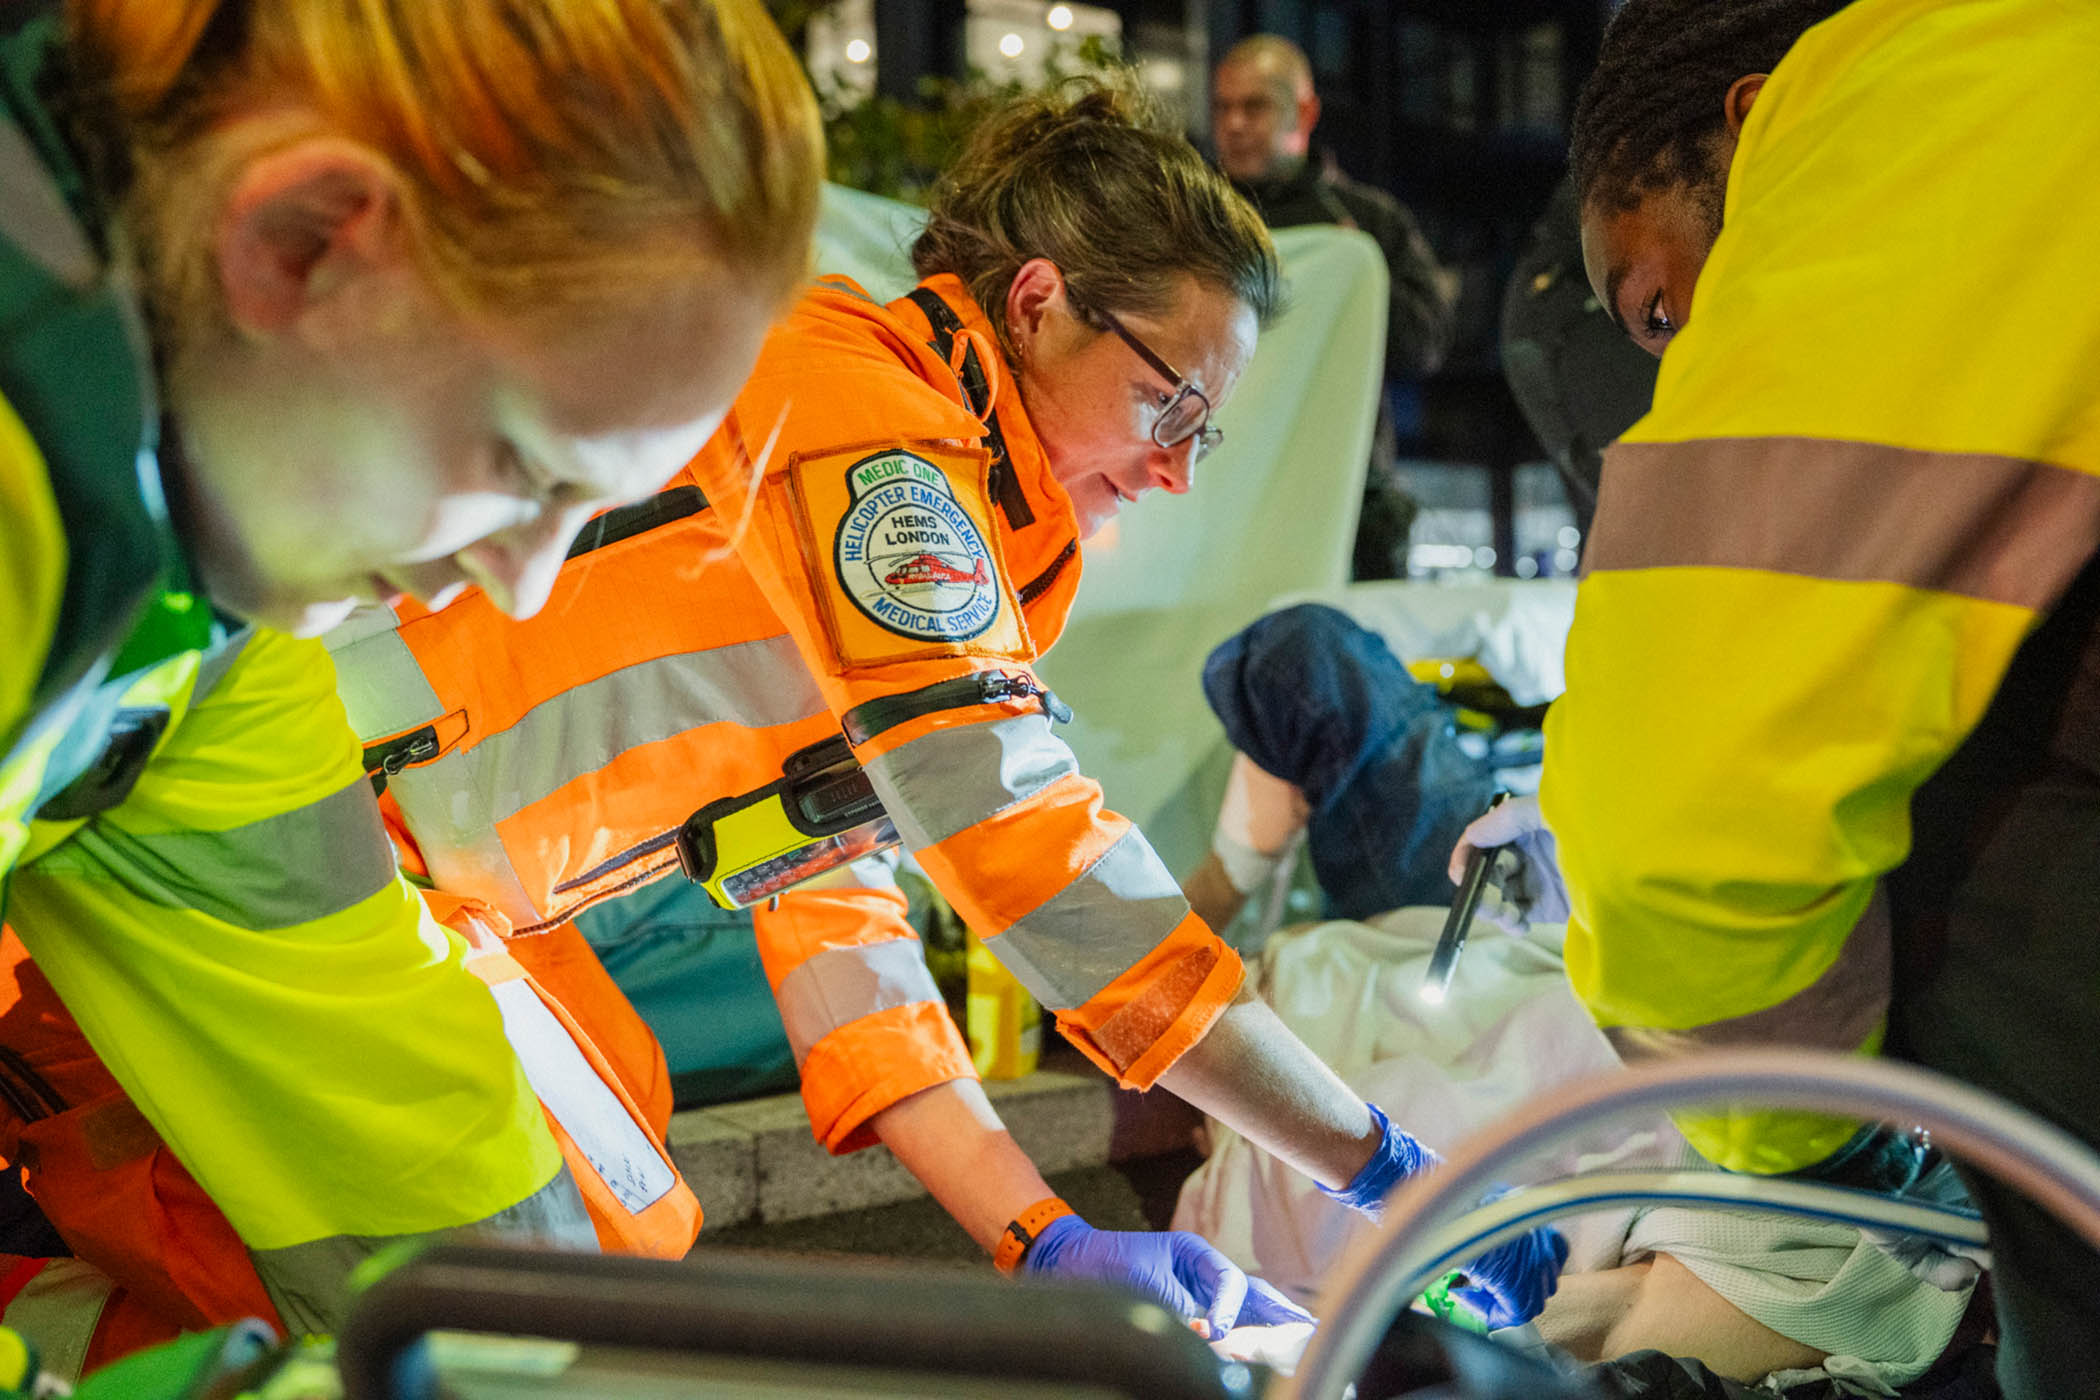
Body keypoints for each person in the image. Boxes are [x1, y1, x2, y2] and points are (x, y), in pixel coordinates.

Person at [315, 76, 1566, 1334]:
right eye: (1170, 403)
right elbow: (1033, 847)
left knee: (600, 1226)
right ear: (1037, 303)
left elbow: (829, 904)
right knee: (539, 1266)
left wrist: (1042, 1234)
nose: (1179, 469)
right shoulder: (865, 416)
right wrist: (1390, 1173)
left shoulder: (949, 503)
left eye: (1207, 429)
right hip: (342, 829)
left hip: (422, 878)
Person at [0, 0, 822, 1361]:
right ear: (303, 243)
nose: (525, 585)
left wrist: (536, 1369)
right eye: (519, 466)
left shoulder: (206, 620)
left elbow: (404, 1122)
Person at [1470, 0, 2100, 1394]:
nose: (1687, 364)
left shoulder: (1907, 110)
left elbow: (1682, 812)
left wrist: (1813, 1145)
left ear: (1758, 120)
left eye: (1660, 307)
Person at [1209, 34, 1455, 580]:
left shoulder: (1370, 222)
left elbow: (1426, 345)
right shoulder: (1194, 221)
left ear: (1305, 112)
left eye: (1254, 106)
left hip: (1348, 497)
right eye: (1223, 107)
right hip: (1218, 493)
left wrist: (1361, 270)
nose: (1234, 124)